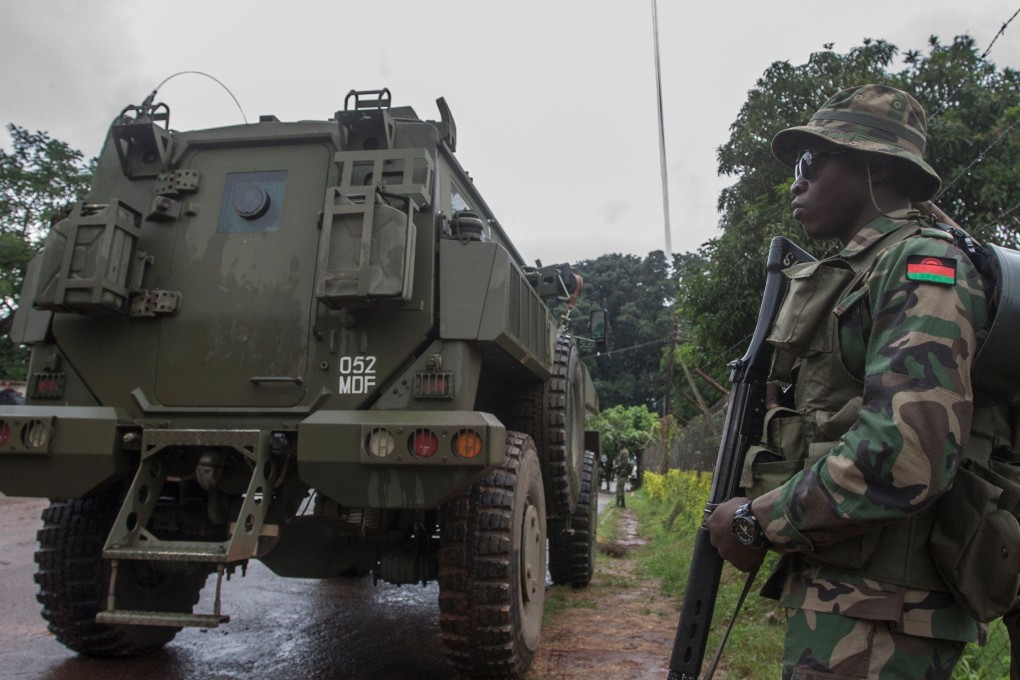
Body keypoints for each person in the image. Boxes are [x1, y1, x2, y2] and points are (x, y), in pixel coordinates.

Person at [706, 84, 993, 678]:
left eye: (812, 163)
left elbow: (909, 450)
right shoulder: (861, 272)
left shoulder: (923, 265)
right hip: (855, 595)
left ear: (874, 167)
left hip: (889, 609)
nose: (796, 182)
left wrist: (758, 521)